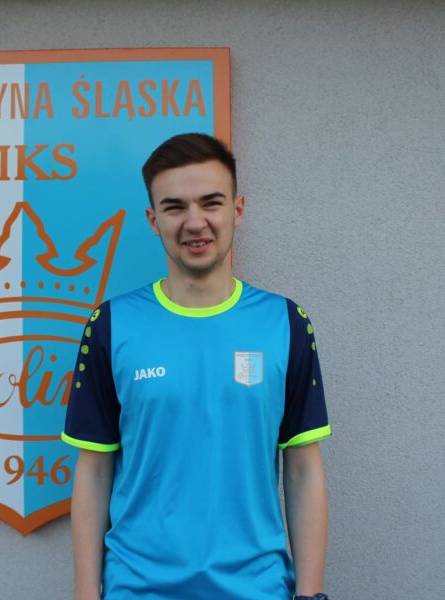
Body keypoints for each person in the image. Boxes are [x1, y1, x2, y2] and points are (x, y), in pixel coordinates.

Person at [62, 133, 332, 600]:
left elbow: (303, 470)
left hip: (258, 590)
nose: (195, 222)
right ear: (153, 220)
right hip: (137, 590)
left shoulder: (286, 323)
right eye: (174, 207)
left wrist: (310, 596)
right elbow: (94, 471)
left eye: (211, 203)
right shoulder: (110, 325)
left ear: (238, 210)